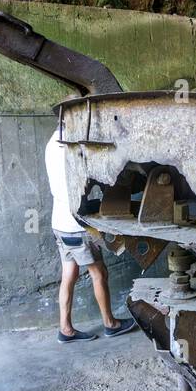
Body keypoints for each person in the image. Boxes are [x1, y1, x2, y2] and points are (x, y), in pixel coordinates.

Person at [45, 128, 137, 342]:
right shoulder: (69, 144)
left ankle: (65, 329)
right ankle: (110, 324)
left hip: (59, 222)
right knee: (99, 274)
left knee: (69, 275)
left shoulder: (52, 143)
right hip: (76, 225)